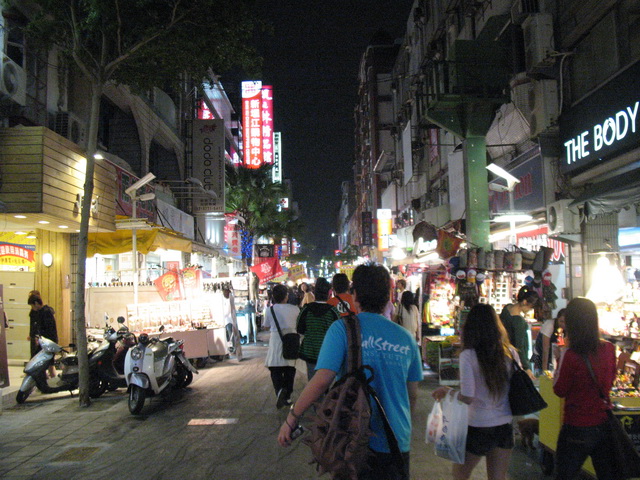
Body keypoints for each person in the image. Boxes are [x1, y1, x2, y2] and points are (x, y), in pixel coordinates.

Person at [279, 263, 423, 479]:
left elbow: (322, 380)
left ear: (355, 295)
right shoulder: (406, 338)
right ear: (388, 296)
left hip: (352, 439)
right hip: (396, 439)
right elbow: (412, 395)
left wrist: (292, 417)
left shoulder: (342, 329)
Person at [433, 304, 518, 480]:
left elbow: (468, 397)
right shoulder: (510, 353)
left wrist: (448, 391)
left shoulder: (469, 356)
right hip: (504, 423)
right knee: (498, 477)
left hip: (478, 425)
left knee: (460, 475)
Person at [553, 297, 617, 479]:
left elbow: (559, 389)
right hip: (603, 423)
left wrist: (559, 360)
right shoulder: (609, 349)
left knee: (565, 475)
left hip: (576, 425)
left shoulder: (570, 354)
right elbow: (610, 380)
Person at [263, 284, 300, 409]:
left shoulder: (270, 310)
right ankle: (287, 396)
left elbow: (266, 326)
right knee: (290, 369)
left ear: (273, 296)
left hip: (276, 341)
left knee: (275, 368)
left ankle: (279, 391)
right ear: (286, 296)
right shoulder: (295, 309)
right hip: (292, 340)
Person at [296, 277, 340, 380]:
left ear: (315, 293)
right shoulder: (333, 311)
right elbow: (339, 334)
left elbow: (299, 329)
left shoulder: (306, 309)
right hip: (328, 352)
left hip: (310, 351)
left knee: (312, 381)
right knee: (327, 382)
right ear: (329, 293)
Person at [499, 286, 538, 380]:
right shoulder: (518, 321)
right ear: (524, 302)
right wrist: (526, 367)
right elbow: (519, 346)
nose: (530, 310)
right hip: (514, 360)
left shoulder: (506, 309)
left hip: (502, 353)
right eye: (530, 307)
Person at [27, 294, 58, 378]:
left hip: (48, 342)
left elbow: (49, 329)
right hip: (45, 341)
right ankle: (48, 379)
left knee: (49, 363)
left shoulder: (46, 312)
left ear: (36, 303)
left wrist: (38, 337)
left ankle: (51, 380)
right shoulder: (40, 312)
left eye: (32, 306)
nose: (32, 308)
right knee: (48, 363)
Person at [531, 308, 566, 375]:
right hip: (541, 355)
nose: (563, 324)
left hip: (554, 357)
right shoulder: (549, 325)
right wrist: (545, 371)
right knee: (542, 376)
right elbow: (545, 350)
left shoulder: (567, 329)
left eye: (565, 322)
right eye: (561, 321)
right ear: (557, 319)